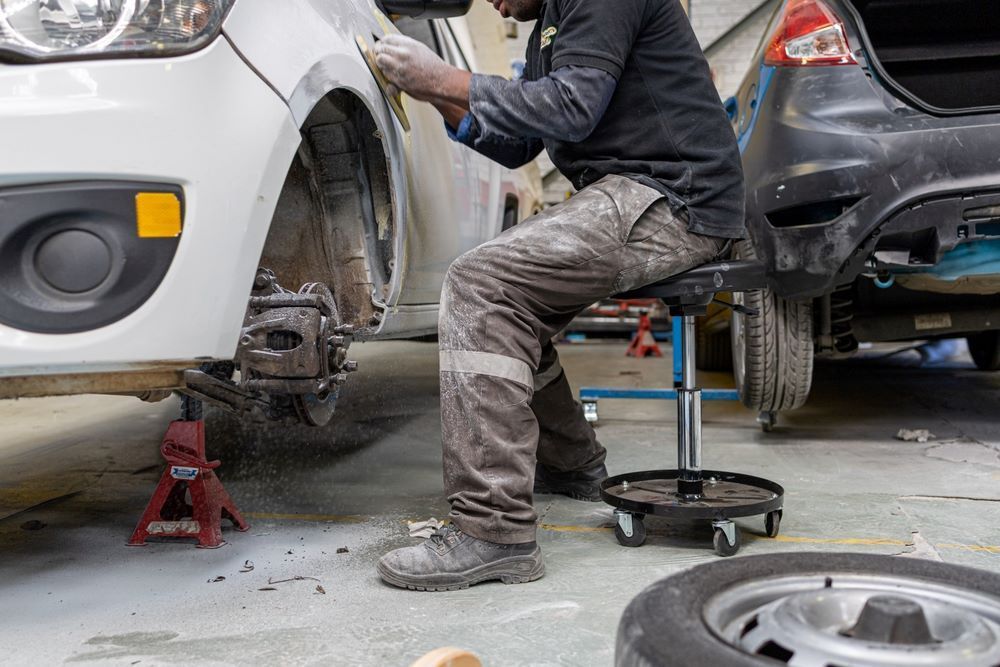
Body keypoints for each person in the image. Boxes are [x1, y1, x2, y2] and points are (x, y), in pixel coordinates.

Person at [373, 0, 745, 591]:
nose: (491, 4)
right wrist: (438, 94)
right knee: (514, 307)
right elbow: (523, 144)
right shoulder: (552, 24)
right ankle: (572, 465)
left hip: (674, 200)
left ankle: (492, 532)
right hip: (637, 191)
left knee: (481, 285)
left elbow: (571, 108)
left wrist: (445, 75)